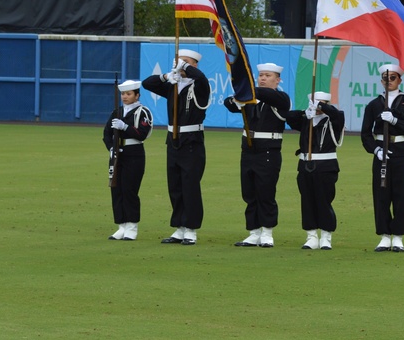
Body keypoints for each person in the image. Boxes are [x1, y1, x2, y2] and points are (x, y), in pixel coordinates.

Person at [142, 48, 210, 246]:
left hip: (192, 141)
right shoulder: (173, 85)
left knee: (190, 186)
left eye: (185, 62)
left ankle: (191, 229)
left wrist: (186, 67)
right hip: (173, 140)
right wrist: (165, 76)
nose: (179, 65)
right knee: (175, 185)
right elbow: (147, 83)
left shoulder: (199, 87)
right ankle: (179, 227)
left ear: (194, 65)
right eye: (177, 61)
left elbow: (202, 78)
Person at [223, 62, 291, 248]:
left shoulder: (281, 98)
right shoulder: (251, 98)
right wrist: (236, 98)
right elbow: (229, 104)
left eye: (268, 75)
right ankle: (253, 232)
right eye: (261, 75)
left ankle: (267, 232)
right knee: (249, 192)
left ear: (277, 80)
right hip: (248, 150)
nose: (263, 78)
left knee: (266, 191)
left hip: (268, 150)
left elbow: (267, 95)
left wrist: (248, 90)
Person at [361, 63, 404, 253]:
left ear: (400, 80)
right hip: (381, 151)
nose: (389, 82)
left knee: (402, 195)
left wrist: (395, 120)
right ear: (381, 81)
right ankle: (384, 236)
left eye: (393, 78)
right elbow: (365, 134)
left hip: (401, 151)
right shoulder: (373, 105)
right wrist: (376, 150)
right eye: (386, 79)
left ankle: (398, 237)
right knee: (381, 194)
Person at [285, 90, 345, 250]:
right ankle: (311, 236)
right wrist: (306, 113)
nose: (316, 107)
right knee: (307, 201)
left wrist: (321, 107)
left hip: (326, 166)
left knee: (324, 200)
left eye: (320, 104)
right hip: (305, 166)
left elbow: (337, 115)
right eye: (313, 103)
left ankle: (326, 236)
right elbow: (289, 116)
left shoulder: (333, 120)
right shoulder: (307, 119)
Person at [102, 79, 153, 241]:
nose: (125, 97)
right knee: (116, 189)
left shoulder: (142, 112)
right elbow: (106, 134)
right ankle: (121, 225)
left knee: (130, 190)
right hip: (117, 153)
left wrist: (125, 127)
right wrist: (111, 147)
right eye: (123, 94)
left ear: (137, 95)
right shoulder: (116, 113)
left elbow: (143, 133)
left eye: (129, 94)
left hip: (134, 153)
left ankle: (132, 226)